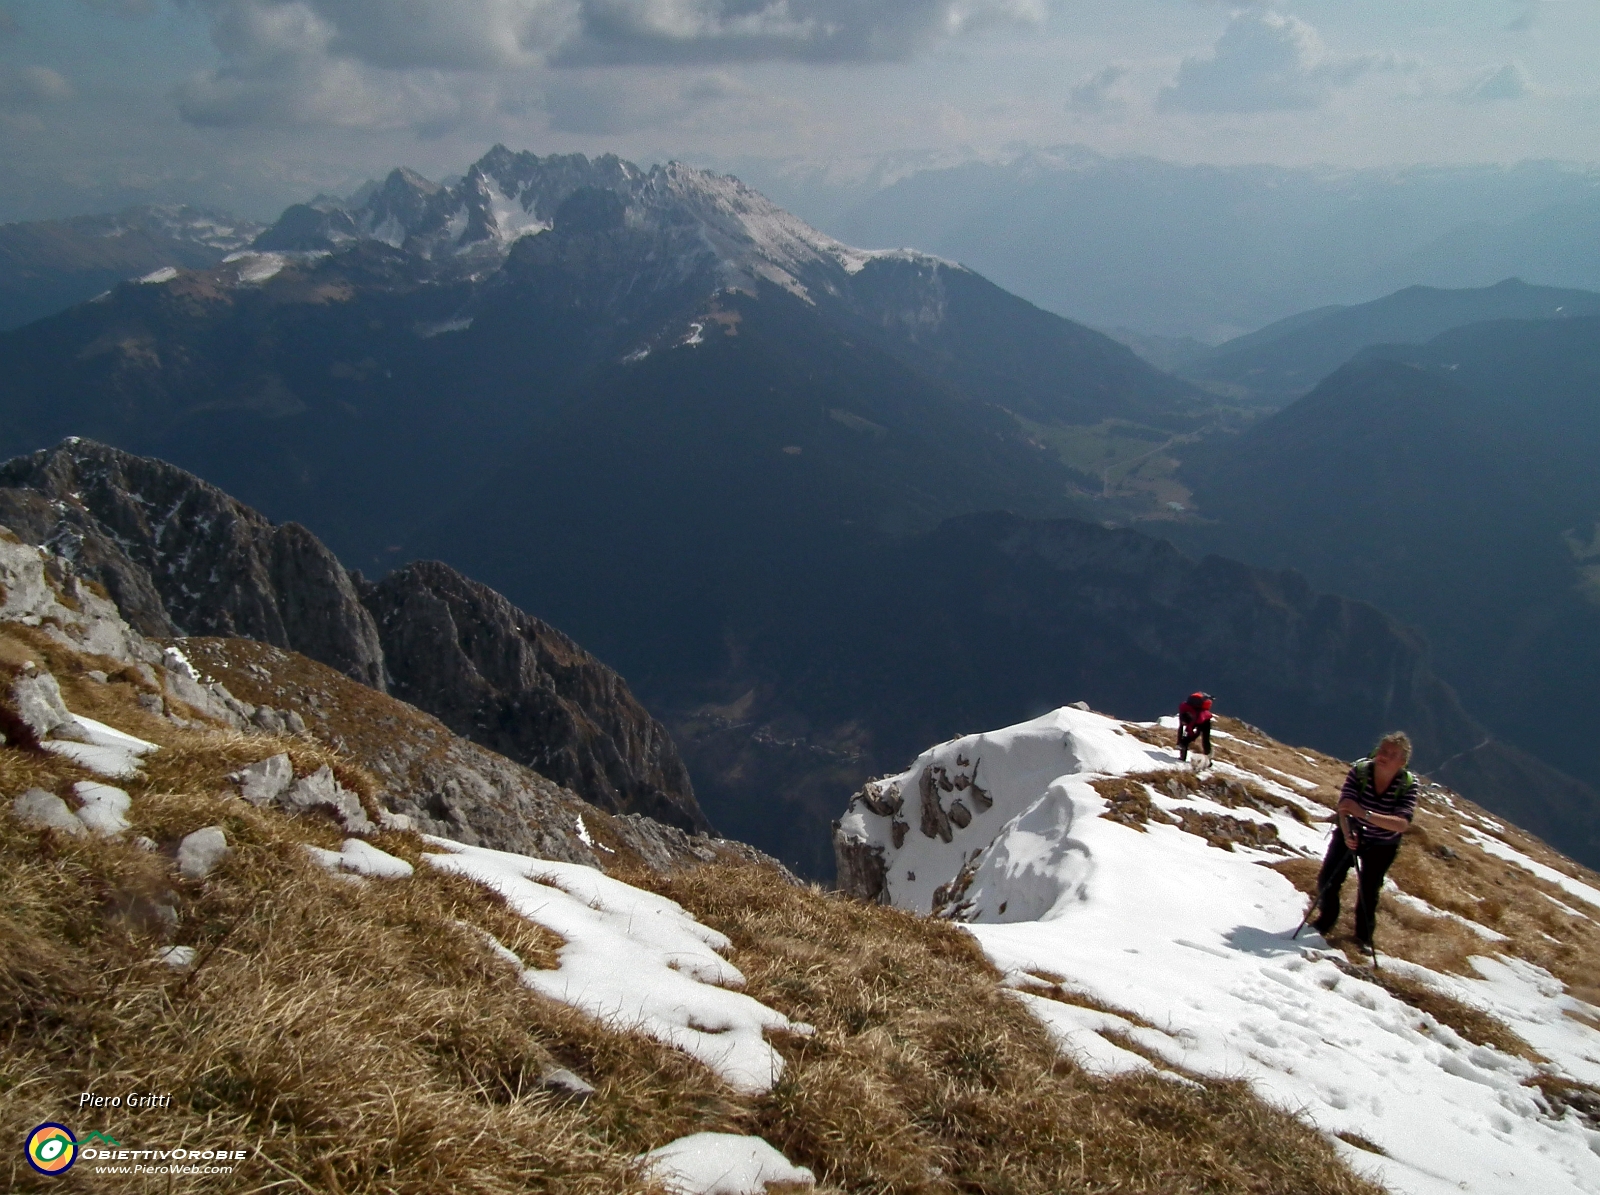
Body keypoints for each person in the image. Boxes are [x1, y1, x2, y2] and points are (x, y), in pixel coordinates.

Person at [1311, 731, 1418, 949]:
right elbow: (1344, 806)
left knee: (1369, 890)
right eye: (1383, 750)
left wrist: (1364, 814)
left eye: (1392, 754)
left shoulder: (1407, 785)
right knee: (1328, 880)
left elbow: (1402, 824)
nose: (1384, 756)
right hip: (1351, 833)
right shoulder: (1359, 773)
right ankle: (1326, 920)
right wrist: (1349, 832)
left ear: (1402, 762)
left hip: (1382, 845)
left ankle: (1364, 936)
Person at [1177, 691, 1213, 767]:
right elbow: (1181, 728)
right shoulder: (1183, 711)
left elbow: (1197, 733)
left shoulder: (1198, 717)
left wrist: (1186, 740)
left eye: (1185, 723)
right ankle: (1182, 756)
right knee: (1185, 740)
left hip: (1205, 721)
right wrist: (1180, 741)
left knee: (1205, 740)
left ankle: (1208, 760)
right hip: (1194, 719)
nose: (1184, 724)